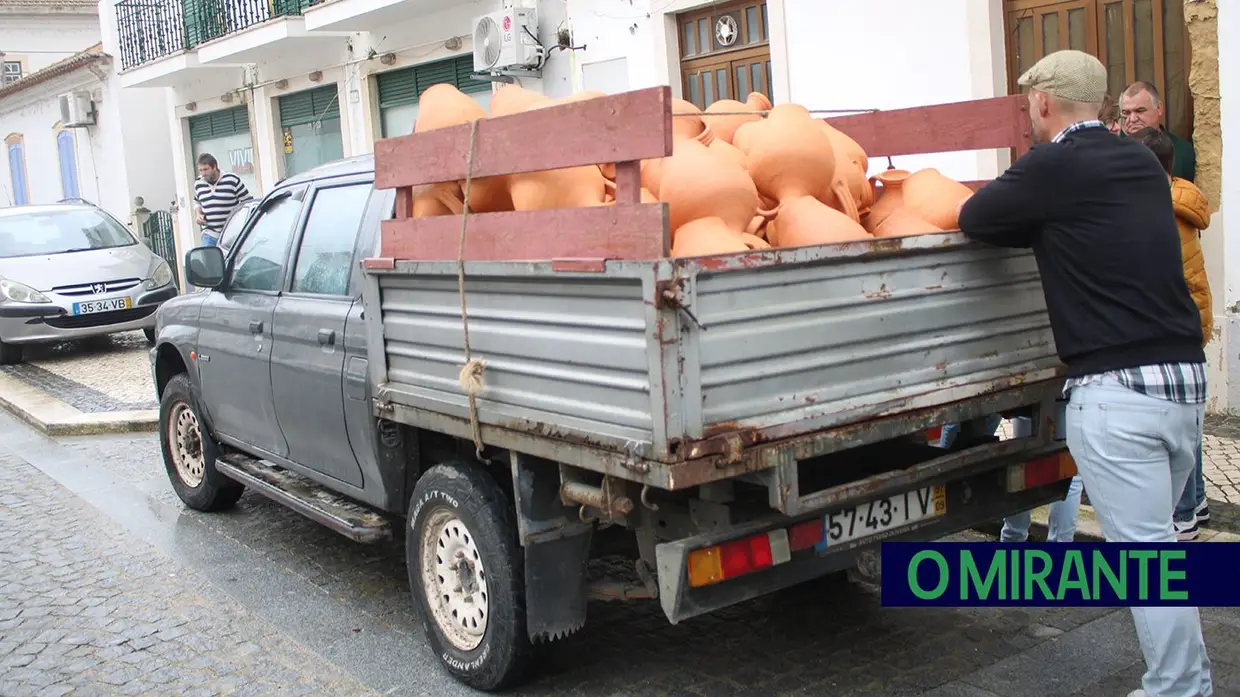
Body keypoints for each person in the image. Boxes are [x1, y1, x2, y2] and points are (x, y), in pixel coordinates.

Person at [956, 50, 1211, 697]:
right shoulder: (1142, 164)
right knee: (1162, 554)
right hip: (1184, 384)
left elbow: (975, 219)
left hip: (1118, 393)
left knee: (1149, 561)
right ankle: (1188, 680)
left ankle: (1179, 688)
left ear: (1042, 102)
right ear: (1099, 102)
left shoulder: (1053, 165)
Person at [1133, 125, 1214, 542]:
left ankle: (1183, 517)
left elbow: (1171, 281)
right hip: (1189, 328)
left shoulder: (1161, 211)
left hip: (1176, 333)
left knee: (1180, 431)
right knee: (1190, 427)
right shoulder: (1180, 198)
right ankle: (1195, 500)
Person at [1121, 81, 1196, 182]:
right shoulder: (1112, 150)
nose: (1133, 119)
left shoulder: (1182, 152)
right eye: (1126, 113)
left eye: (1140, 110)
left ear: (1159, 108)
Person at [193, 153, 252, 247]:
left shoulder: (232, 180)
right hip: (210, 232)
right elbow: (197, 202)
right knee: (210, 260)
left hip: (231, 232)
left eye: (206, 169)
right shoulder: (198, 183)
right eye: (201, 170)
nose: (203, 173)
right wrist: (198, 214)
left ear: (214, 167)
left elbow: (248, 201)